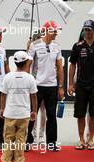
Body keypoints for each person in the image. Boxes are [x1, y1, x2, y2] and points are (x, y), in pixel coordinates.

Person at [26, 21, 64, 152]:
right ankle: (27, 141)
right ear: (47, 30)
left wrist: (60, 86)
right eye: (54, 31)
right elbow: (28, 65)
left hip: (52, 86)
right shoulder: (34, 45)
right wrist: (27, 82)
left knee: (52, 115)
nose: (56, 33)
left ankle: (51, 142)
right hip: (36, 86)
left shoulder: (57, 46)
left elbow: (60, 67)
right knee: (32, 114)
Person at [0, 51, 38, 162]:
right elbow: (34, 96)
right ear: (26, 62)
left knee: (8, 138)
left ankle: (6, 161)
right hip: (23, 114)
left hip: (10, 113)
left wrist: (2, 109)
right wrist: (34, 111)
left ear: (15, 62)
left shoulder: (8, 77)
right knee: (21, 139)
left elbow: (3, 94)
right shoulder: (30, 78)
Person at [68, 20, 94, 150]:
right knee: (80, 114)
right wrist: (70, 84)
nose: (87, 32)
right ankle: (81, 139)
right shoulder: (77, 46)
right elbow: (72, 65)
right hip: (81, 85)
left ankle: (91, 139)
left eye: (89, 29)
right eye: (85, 29)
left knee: (93, 114)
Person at [27, 31, 47, 144]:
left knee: (43, 109)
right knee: (33, 110)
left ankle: (41, 134)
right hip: (34, 82)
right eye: (38, 38)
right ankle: (33, 133)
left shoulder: (48, 48)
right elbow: (28, 65)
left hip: (45, 83)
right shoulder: (32, 48)